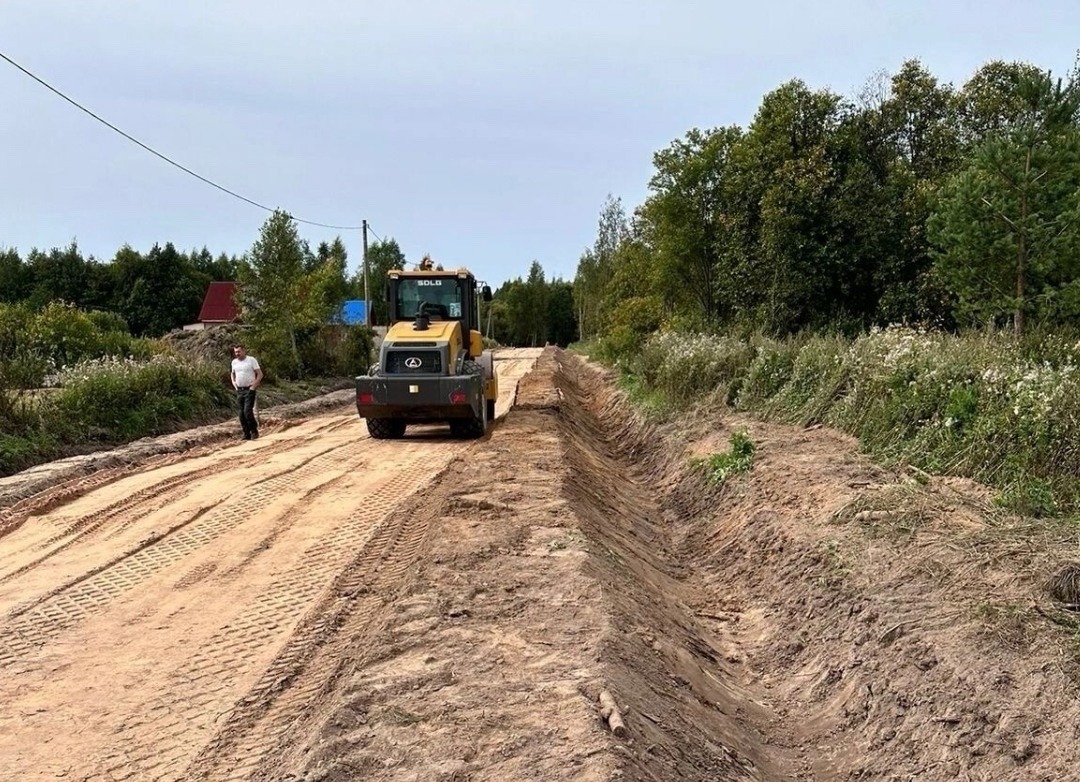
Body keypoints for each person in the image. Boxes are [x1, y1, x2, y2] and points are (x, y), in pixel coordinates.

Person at [230, 343, 263, 440]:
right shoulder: (234, 362)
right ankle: (246, 433)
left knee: (247, 411)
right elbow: (232, 374)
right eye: (236, 352)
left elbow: (260, 374)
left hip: (249, 389)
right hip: (240, 390)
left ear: (244, 351)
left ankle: (254, 431)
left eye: (239, 351)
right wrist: (234, 383)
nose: (237, 354)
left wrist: (253, 387)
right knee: (241, 414)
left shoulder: (251, 360)